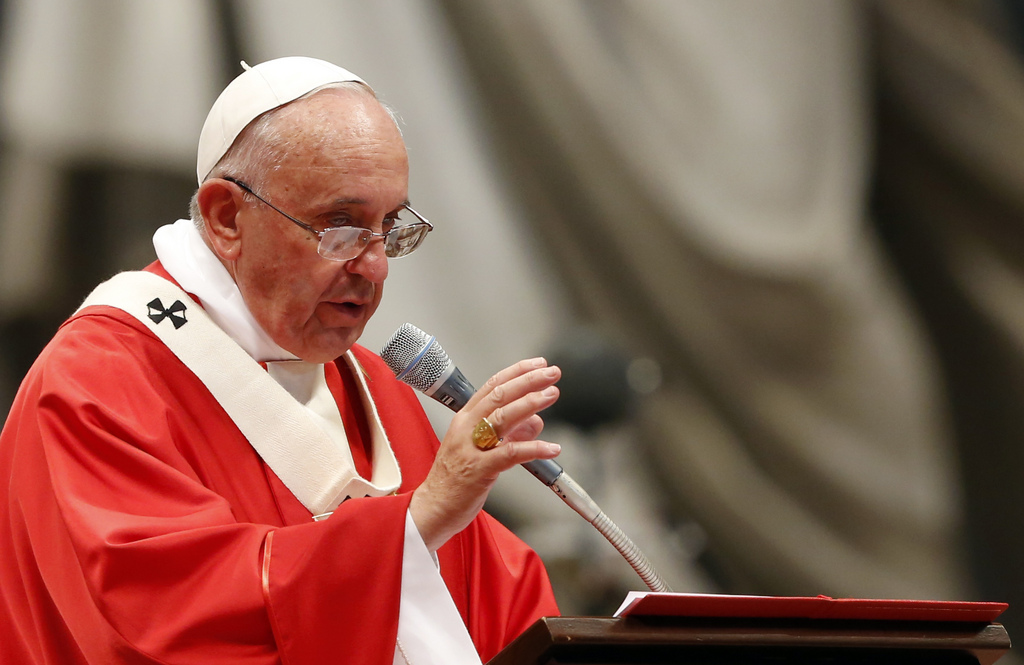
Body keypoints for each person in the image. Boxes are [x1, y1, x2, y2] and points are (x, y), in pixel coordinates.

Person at [0, 56, 563, 665]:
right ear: (225, 218)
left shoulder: (373, 387)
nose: (375, 266)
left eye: (391, 226)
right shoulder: (98, 382)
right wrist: (415, 521)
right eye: (340, 227)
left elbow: (498, 605)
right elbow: (159, 619)